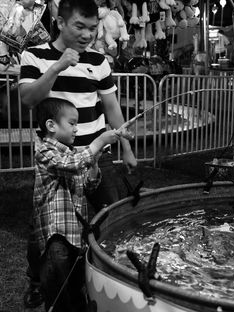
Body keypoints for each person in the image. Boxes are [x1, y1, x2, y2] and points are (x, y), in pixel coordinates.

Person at [18, 0, 137, 307]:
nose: (87, 34)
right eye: (79, 27)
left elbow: (111, 106)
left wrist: (125, 145)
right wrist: (58, 66)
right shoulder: (34, 55)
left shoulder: (98, 60)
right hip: (57, 160)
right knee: (49, 227)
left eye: (93, 28)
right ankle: (40, 281)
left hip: (97, 155)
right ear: (60, 22)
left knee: (114, 215)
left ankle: (106, 282)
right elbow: (29, 98)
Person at [33, 97, 119, 312]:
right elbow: (69, 165)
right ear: (51, 125)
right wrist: (98, 141)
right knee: (59, 294)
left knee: (76, 288)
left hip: (74, 237)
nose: (76, 130)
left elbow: (88, 185)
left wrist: (95, 161)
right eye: (72, 124)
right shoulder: (44, 151)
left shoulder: (73, 155)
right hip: (57, 238)